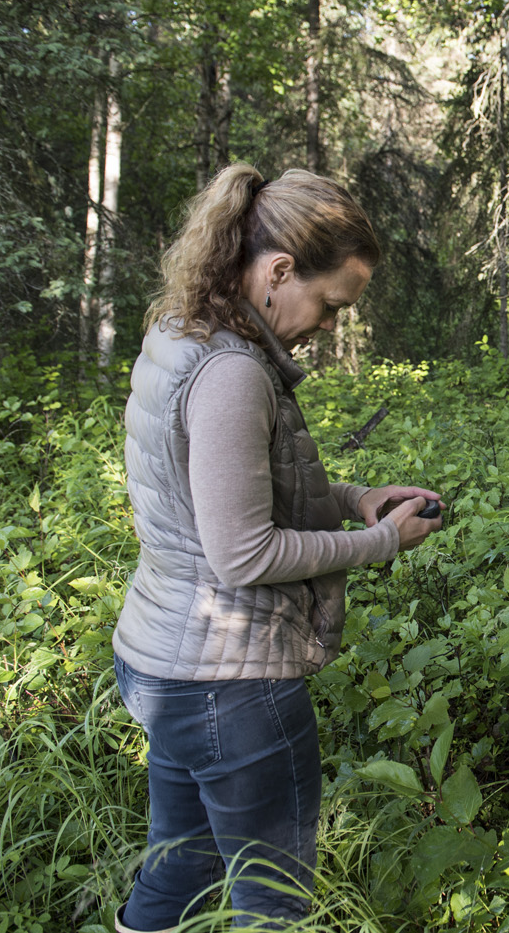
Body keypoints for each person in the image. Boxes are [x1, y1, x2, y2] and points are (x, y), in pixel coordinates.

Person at [111, 163, 442, 931]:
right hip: (232, 682)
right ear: (280, 269)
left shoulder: (183, 333)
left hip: (167, 661)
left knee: (182, 862)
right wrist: (379, 540)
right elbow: (243, 553)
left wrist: (358, 499)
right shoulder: (232, 371)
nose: (330, 326)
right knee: (274, 905)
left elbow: (222, 500)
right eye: (330, 305)